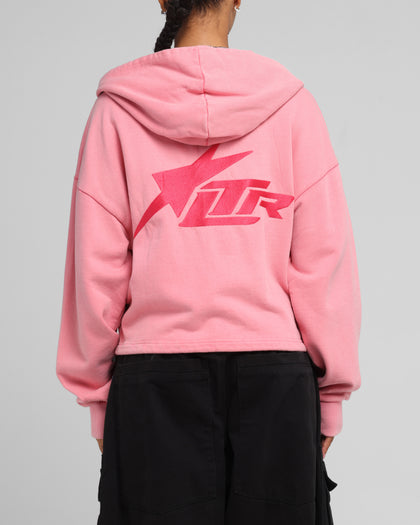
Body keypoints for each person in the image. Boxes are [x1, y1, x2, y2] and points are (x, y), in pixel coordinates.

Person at [55, 1, 362, 523]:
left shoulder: (117, 112)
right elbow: (323, 260)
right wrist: (330, 394)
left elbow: (95, 267)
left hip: (153, 380)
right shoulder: (291, 106)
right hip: (275, 380)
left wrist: (99, 398)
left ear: (161, 0)